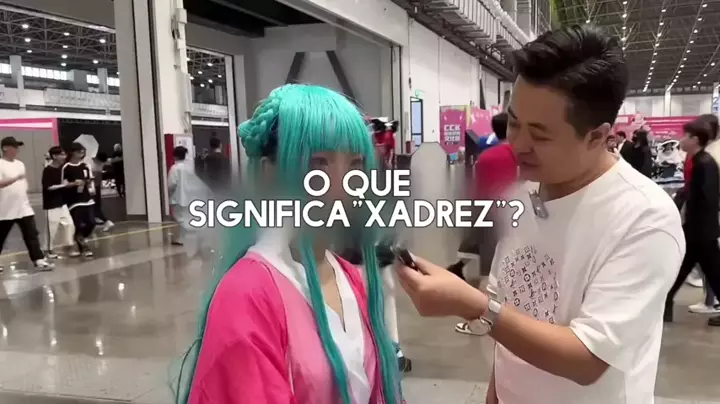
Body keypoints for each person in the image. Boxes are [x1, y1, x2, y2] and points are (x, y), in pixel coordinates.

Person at [394, 25, 684, 404]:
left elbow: (587, 359)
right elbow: (509, 311)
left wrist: (472, 305)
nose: (518, 144)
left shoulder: (644, 219)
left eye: (540, 134)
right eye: (514, 123)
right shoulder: (521, 194)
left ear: (598, 136)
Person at [175, 84, 401, 404]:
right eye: (318, 165)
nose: (344, 189)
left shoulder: (349, 276)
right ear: (269, 175)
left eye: (355, 166)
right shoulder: (246, 296)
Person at [665, 119, 720, 326]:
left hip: (701, 231)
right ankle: (665, 304)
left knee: (711, 272)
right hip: (698, 230)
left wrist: (695, 226)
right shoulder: (698, 161)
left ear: (695, 140)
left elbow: (708, 198)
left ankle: (664, 304)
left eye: (685, 136)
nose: (681, 140)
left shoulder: (704, 163)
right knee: (682, 269)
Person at [0, 137, 55, 271]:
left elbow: (23, 183)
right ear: (5, 148)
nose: (17, 150)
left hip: (23, 207)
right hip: (5, 209)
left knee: (31, 235)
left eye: (17, 147)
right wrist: (15, 178)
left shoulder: (20, 164)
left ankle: (38, 260)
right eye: (14, 147)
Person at [167, 146, 210, 246]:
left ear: (174, 156)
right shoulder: (189, 168)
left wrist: (170, 192)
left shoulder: (174, 168)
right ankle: (183, 237)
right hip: (189, 197)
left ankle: (195, 233)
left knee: (180, 218)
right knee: (185, 217)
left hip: (178, 197)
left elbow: (171, 184)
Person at [42, 146, 78, 258]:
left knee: (70, 224)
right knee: (51, 229)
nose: (64, 156)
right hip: (51, 204)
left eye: (64, 154)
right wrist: (63, 185)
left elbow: (69, 181)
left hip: (62, 203)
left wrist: (73, 183)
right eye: (61, 154)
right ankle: (47, 249)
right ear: (54, 156)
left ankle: (69, 246)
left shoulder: (63, 169)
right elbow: (48, 187)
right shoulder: (48, 170)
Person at [62, 142, 96, 257]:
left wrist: (89, 186)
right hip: (74, 200)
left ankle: (81, 238)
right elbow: (63, 184)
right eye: (78, 151)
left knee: (91, 222)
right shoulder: (66, 167)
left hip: (87, 198)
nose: (81, 153)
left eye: (82, 151)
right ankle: (84, 247)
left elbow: (90, 179)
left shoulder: (85, 166)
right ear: (72, 152)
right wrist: (73, 184)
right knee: (78, 224)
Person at [91, 152, 114, 232]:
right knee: (96, 206)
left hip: (93, 188)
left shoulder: (94, 165)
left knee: (95, 207)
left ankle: (106, 221)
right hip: (96, 187)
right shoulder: (101, 164)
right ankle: (100, 221)